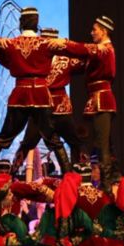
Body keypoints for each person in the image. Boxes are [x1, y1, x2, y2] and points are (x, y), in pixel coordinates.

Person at [0, 8, 75, 184]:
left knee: (3, 138)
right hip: (40, 96)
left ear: (21, 23)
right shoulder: (45, 44)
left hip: (20, 95)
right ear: (37, 24)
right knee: (53, 140)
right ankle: (69, 178)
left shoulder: (12, 44)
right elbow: (79, 50)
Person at [11, 29, 86, 174]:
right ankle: (76, 176)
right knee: (74, 142)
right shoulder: (66, 58)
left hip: (41, 106)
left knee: (27, 144)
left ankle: (11, 176)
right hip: (60, 107)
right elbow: (83, 61)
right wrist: (68, 44)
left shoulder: (36, 57)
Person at [63, 16, 121, 193]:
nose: (91, 32)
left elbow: (82, 49)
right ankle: (113, 179)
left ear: (104, 31)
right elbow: (81, 61)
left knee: (102, 145)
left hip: (102, 99)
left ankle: (106, 186)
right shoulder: (99, 51)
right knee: (104, 143)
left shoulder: (104, 49)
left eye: (95, 29)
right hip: (96, 99)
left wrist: (64, 44)